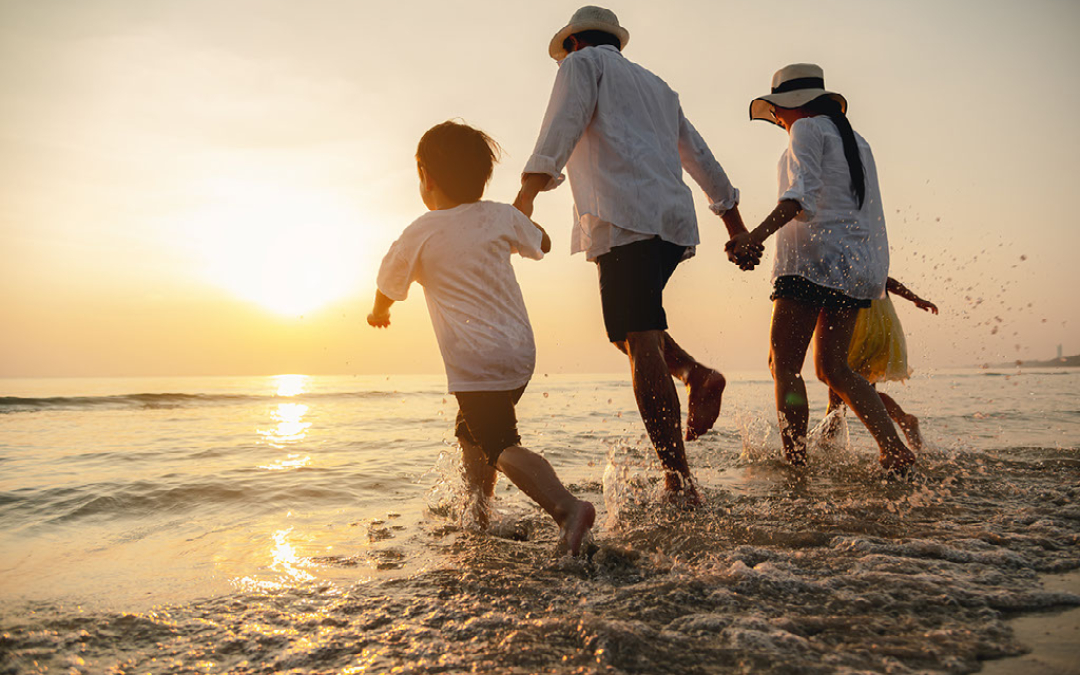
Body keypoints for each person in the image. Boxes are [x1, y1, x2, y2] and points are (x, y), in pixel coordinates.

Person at [513, 5, 751, 506]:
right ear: (615, 41)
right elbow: (699, 155)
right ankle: (695, 375)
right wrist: (733, 223)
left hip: (625, 219)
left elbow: (562, 127)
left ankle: (679, 482)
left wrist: (526, 198)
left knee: (638, 339)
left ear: (574, 44)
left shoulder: (581, 67)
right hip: (668, 223)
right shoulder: (658, 88)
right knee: (628, 330)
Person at [368, 121, 595, 555]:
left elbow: (387, 283)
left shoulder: (420, 231)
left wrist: (378, 312)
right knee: (472, 432)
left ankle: (566, 508)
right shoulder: (499, 215)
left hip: (477, 361)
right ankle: (479, 516)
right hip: (519, 354)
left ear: (425, 176)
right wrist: (520, 225)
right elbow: (541, 242)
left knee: (498, 444)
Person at [727, 63, 916, 474]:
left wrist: (753, 237)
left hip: (810, 264)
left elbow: (799, 199)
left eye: (777, 109)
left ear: (794, 105)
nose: (776, 117)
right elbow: (864, 213)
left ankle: (795, 463)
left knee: (785, 366)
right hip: (852, 269)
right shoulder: (857, 141)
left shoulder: (807, 130)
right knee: (834, 369)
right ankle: (894, 450)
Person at [820, 277, 939, 450]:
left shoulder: (843, 261)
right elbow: (888, 281)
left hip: (857, 328)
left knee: (838, 385)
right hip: (880, 326)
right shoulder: (870, 261)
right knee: (862, 389)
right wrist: (915, 298)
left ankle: (826, 443)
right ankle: (903, 420)